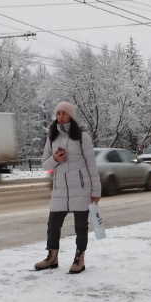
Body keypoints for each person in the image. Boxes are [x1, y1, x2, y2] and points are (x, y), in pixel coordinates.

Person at [35, 102, 101, 274]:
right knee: (53, 224)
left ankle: (79, 259)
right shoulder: (52, 137)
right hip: (60, 189)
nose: (61, 116)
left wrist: (96, 191)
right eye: (58, 114)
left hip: (81, 186)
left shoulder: (82, 137)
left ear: (71, 115)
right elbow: (44, 166)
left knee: (80, 226)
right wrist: (55, 159)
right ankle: (52, 257)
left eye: (64, 113)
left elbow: (91, 165)